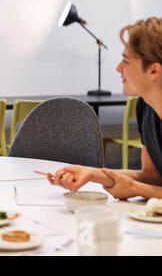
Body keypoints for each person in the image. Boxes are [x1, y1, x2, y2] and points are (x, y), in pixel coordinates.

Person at [48, 17, 162, 200]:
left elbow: (146, 185)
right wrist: (91, 174)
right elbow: (153, 177)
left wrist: (135, 189)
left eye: (126, 61)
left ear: (154, 71)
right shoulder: (146, 107)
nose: (118, 69)